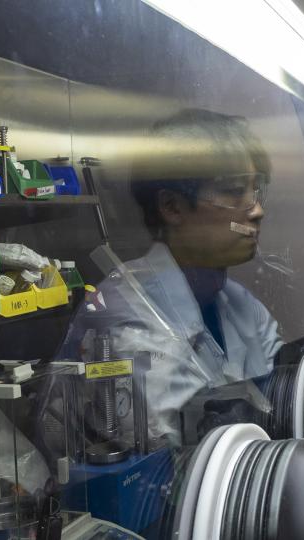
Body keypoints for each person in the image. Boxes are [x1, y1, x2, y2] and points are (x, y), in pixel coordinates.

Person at [60, 108, 282, 445]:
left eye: (256, 190)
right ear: (173, 207)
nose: (256, 210)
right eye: (236, 191)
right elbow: (175, 454)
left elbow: (287, 392)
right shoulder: (126, 322)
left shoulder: (237, 302)